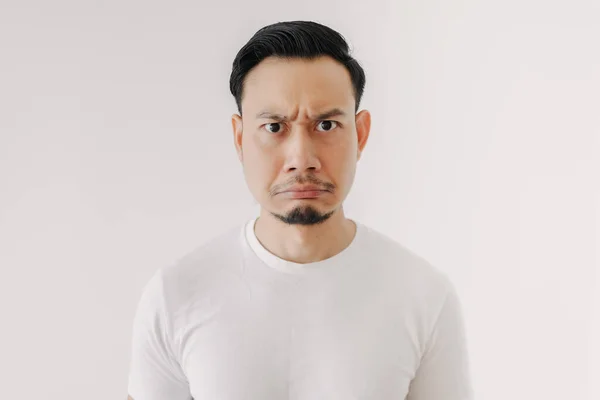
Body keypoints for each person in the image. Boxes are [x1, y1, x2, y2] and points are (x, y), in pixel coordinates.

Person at [126, 20, 473, 400]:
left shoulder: (423, 296)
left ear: (361, 133)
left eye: (326, 124)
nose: (301, 158)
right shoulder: (175, 296)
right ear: (240, 138)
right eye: (274, 127)